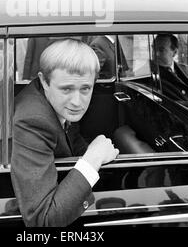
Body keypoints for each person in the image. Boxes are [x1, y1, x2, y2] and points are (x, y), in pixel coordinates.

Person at [11, 38, 119, 227]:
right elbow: (42, 220)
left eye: (85, 88)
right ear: (44, 81)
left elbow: (72, 139)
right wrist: (93, 158)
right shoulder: (33, 121)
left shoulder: (57, 102)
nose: (77, 102)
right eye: (66, 89)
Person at [153, 34, 188, 102]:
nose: (155, 53)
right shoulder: (149, 76)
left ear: (174, 52)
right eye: (153, 48)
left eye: (161, 50)